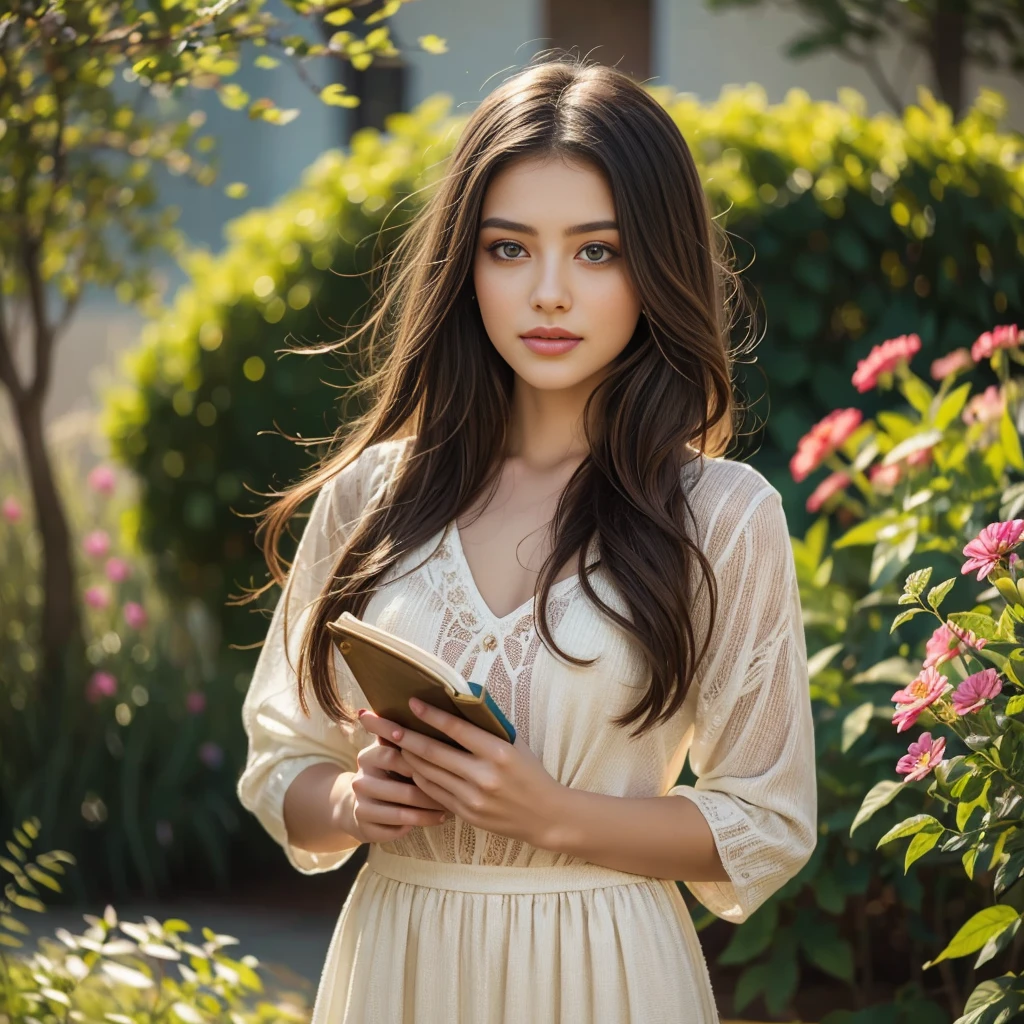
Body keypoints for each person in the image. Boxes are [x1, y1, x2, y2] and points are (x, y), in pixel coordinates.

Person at [236, 54, 817, 1024]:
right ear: (465, 266)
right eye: (510, 249)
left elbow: (765, 820)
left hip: (611, 975)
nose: (548, 292)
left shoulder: (722, 515)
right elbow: (281, 760)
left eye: (597, 251)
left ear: (655, 265)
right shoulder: (370, 495)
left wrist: (551, 814)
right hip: (398, 968)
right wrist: (349, 803)